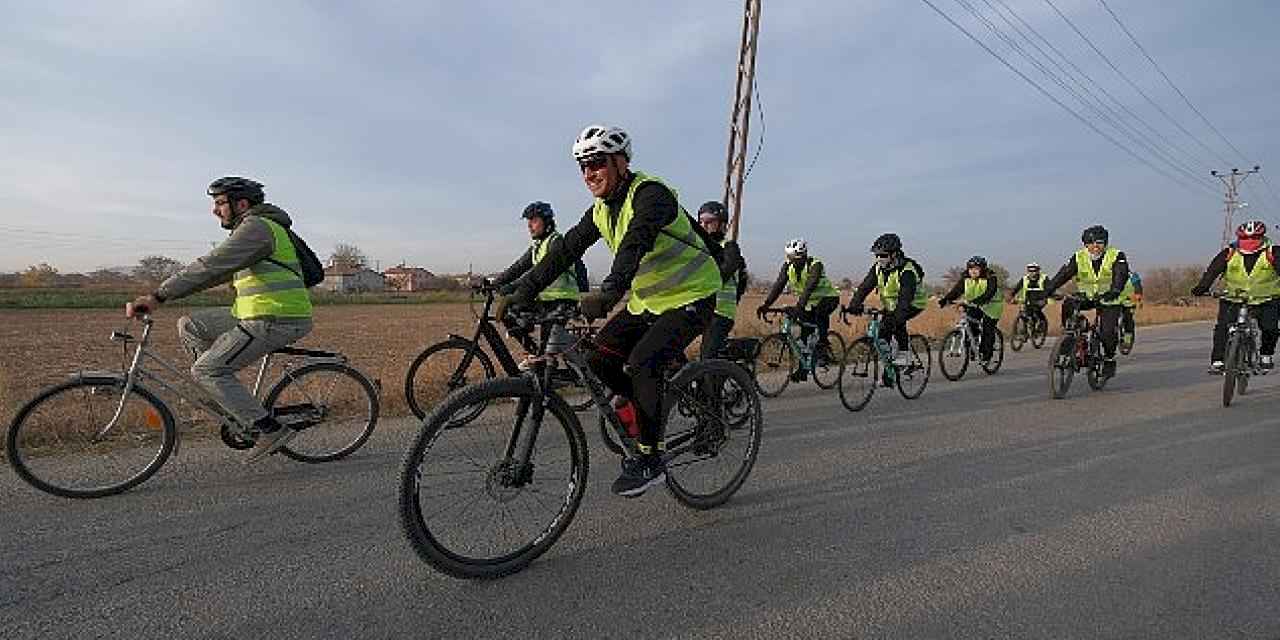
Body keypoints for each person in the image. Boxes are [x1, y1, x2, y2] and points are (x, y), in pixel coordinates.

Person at [497, 124, 723, 497]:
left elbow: (635, 243)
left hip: (693, 294)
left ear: (620, 162)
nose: (589, 174)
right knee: (600, 360)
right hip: (649, 301)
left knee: (642, 362)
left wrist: (608, 293)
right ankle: (649, 403)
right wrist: (521, 292)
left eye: (597, 162)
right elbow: (565, 251)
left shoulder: (652, 195)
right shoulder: (601, 210)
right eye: (583, 166)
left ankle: (651, 460)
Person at [125, 177, 313, 462]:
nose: (215, 211)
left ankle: (270, 430)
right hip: (253, 314)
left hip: (278, 317)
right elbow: (214, 273)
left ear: (241, 204)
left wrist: (158, 296)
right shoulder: (251, 229)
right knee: (190, 325)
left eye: (219, 203)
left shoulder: (257, 228)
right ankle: (225, 397)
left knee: (207, 370)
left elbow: (209, 265)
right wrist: (169, 297)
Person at [488, 201, 583, 348]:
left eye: (534, 220)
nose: (529, 226)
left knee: (548, 345)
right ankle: (533, 355)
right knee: (510, 312)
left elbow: (537, 273)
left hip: (562, 299)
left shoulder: (556, 242)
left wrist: (512, 287)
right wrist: (495, 283)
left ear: (547, 222)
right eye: (528, 221)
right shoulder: (537, 246)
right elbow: (518, 267)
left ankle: (543, 361)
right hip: (546, 300)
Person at [1190, 220, 1280, 373]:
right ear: (1239, 238)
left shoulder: (1273, 252)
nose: (1249, 242)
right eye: (1245, 238)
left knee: (1270, 328)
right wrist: (1202, 287)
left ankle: (1266, 354)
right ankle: (1218, 360)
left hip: (1266, 299)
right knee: (1222, 328)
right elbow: (1212, 271)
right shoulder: (1229, 253)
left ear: (1262, 237)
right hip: (1233, 298)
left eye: (1254, 238)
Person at [1043, 224, 1129, 379]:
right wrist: (1048, 289)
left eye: (1099, 243)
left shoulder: (1116, 255)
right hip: (1087, 296)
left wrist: (1115, 290)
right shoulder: (1079, 257)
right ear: (1085, 244)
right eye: (1090, 243)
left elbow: (1120, 275)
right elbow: (1063, 274)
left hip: (1110, 299)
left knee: (1108, 332)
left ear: (1105, 243)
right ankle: (1069, 335)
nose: (1095, 247)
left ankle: (1109, 358)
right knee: (1069, 303)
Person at [755, 238, 841, 380]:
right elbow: (778, 286)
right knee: (804, 335)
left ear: (803, 255)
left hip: (828, 298)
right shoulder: (788, 267)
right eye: (788, 257)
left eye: (794, 257)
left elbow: (810, 286)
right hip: (809, 302)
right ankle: (803, 369)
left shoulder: (815, 265)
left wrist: (798, 307)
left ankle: (823, 346)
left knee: (819, 315)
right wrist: (766, 305)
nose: (791, 260)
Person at [844, 233, 929, 366]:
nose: (879, 259)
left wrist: (896, 317)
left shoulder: (907, 272)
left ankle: (904, 354)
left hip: (913, 303)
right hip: (892, 304)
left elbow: (905, 300)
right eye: (876, 255)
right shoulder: (878, 268)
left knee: (896, 323)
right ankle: (889, 373)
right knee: (883, 334)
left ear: (894, 254)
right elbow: (864, 288)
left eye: (883, 255)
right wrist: (854, 304)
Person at [696, 201, 748, 361]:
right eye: (700, 221)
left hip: (720, 313)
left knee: (707, 360)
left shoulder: (729, 247)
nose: (703, 225)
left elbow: (728, 270)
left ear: (722, 225)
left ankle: (712, 385)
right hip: (700, 310)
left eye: (709, 221)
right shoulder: (698, 248)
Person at [940, 256, 1003, 365]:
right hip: (975, 304)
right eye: (970, 268)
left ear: (982, 269)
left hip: (992, 305)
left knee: (987, 328)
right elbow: (957, 290)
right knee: (970, 323)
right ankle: (973, 346)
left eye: (976, 268)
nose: (973, 271)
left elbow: (990, 292)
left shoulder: (991, 277)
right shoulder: (965, 278)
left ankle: (986, 354)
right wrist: (946, 299)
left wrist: (977, 301)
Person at [1007, 262, 1049, 331]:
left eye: (1034, 271)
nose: (1032, 273)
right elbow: (1016, 288)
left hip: (1040, 299)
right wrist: (1011, 296)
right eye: (1030, 271)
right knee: (1024, 312)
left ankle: (1041, 323)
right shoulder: (1024, 279)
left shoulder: (1044, 278)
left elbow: (1049, 288)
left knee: (1037, 310)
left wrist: (1045, 298)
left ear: (1038, 271)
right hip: (1028, 299)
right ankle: (1024, 331)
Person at [1119, 270, 1143, 349]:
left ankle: (1127, 339)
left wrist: (1138, 296)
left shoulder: (1132, 275)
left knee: (1128, 318)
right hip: (1115, 301)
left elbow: (1138, 286)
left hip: (1129, 301)